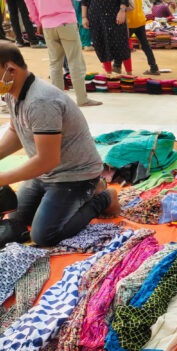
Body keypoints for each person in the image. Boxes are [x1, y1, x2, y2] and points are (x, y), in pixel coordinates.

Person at [0, 44, 121, 247]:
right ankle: (70, 197)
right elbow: (16, 132)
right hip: (44, 174)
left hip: (75, 176)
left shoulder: (40, 101)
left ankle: (104, 198)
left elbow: (47, 160)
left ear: (10, 69)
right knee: (15, 222)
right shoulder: (13, 92)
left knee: (44, 235)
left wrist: (2, 178)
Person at [24, 0, 102, 107]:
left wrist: (38, 22)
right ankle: (82, 99)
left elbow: (30, 5)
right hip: (66, 21)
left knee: (55, 63)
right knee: (75, 61)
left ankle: (57, 100)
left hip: (47, 24)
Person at [82, 0, 133, 76]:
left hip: (115, 13)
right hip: (96, 17)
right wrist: (84, 17)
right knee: (101, 43)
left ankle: (129, 75)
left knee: (122, 44)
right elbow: (85, 1)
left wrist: (122, 11)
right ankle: (109, 75)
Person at [123, 0, 161, 75]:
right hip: (140, 20)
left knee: (122, 44)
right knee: (145, 45)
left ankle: (116, 66)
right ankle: (154, 67)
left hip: (129, 22)